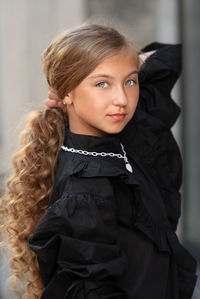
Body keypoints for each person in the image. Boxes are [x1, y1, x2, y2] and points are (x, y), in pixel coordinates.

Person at [0, 24, 197, 299]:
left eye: (130, 81)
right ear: (65, 92)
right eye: (102, 83)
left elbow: (177, 55)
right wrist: (123, 67)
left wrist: (127, 60)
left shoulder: (126, 134)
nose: (122, 100)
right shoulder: (85, 193)